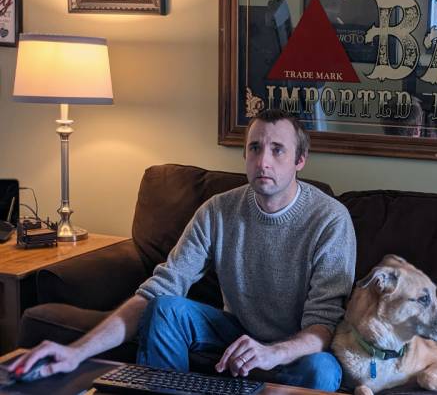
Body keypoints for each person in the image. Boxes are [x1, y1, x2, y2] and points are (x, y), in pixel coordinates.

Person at [10, 109, 357, 391]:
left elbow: (323, 329)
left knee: (322, 371)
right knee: (165, 308)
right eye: (254, 148)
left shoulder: (329, 219)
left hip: (296, 348)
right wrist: (75, 354)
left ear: (300, 159)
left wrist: (270, 354)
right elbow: (156, 293)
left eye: (277, 149)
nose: (263, 161)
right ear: (245, 153)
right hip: (237, 331)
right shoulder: (219, 210)